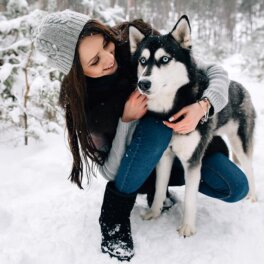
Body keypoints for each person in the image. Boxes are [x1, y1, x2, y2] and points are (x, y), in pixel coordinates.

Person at [35, 9, 249, 261]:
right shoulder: (86, 105)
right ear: (77, 71)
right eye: (94, 61)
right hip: (138, 167)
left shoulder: (137, 42)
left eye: (106, 43)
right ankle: (113, 216)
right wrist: (126, 120)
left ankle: (164, 186)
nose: (108, 58)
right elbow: (109, 172)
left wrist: (204, 105)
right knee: (157, 126)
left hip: (186, 144)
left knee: (235, 187)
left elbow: (215, 72)